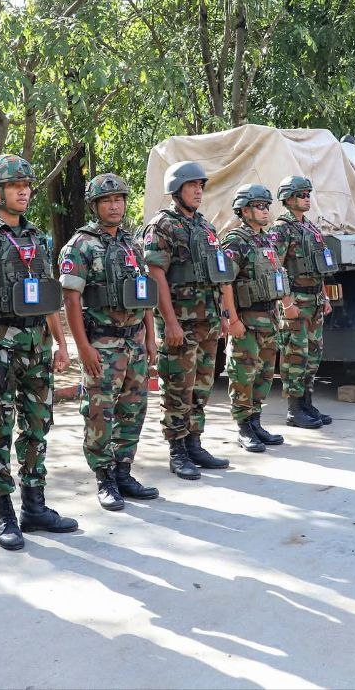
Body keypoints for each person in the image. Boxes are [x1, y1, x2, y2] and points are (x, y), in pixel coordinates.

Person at [0, 155, 74, 551]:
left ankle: (34, 506)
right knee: (0, 429)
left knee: (38, 426)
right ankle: (4, 511)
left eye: (27, 185)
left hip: (38, 345)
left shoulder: (38, 238)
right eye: (15, 185)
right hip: (0, 347)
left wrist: (61, 343)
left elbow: (48, 295)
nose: (24, 192)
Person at [58, 173, 159, 511]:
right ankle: (104, 477)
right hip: (101, 344)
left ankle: (124, 472)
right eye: (106, 201)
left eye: (119, 199)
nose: (114, 206)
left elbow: (144, 293)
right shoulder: (81, 245)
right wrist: (83, 348)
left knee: (134, 409)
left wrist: (150, 337)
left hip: (135, 343)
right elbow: (71, 299)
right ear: (94, 206)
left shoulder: (132, 244)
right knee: (99, 413)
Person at [141, 161, 233, 480]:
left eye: (200, 186)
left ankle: (194, 443)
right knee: (178, 389)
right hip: (180, 323)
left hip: (208, 323)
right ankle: (177, 450)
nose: (198, 191)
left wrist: (223, 314)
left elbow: (217, 274)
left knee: (202, 388)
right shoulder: (162, 226)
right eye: (192, 185)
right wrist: (170, 322)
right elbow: (156, 276)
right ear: (176, 189)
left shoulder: (205, 227)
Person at [220, 184, 290, 452]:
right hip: (247, 321)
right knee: (243, 374)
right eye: (259, 206)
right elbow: (225, 282)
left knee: (264, 374)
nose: (265, 211)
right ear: (244, 210)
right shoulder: (235, 241)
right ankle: (243, 427)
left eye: (266, 206)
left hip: (269, 319)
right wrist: (232, 320)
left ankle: (256, 422)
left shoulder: (267, 240)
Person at [273, 175, 336, 426]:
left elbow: (320, 266)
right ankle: (294, 410)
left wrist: (324, 296)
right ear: (288, 199)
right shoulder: (281, 229)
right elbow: (276, 269)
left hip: (314, 300)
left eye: (308, 194)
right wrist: (286, 303)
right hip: (296, 301)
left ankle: (307, 403)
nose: (307, 198)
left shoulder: (310, 228)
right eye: (301, 195)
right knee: (295, 355)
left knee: (313, 355)